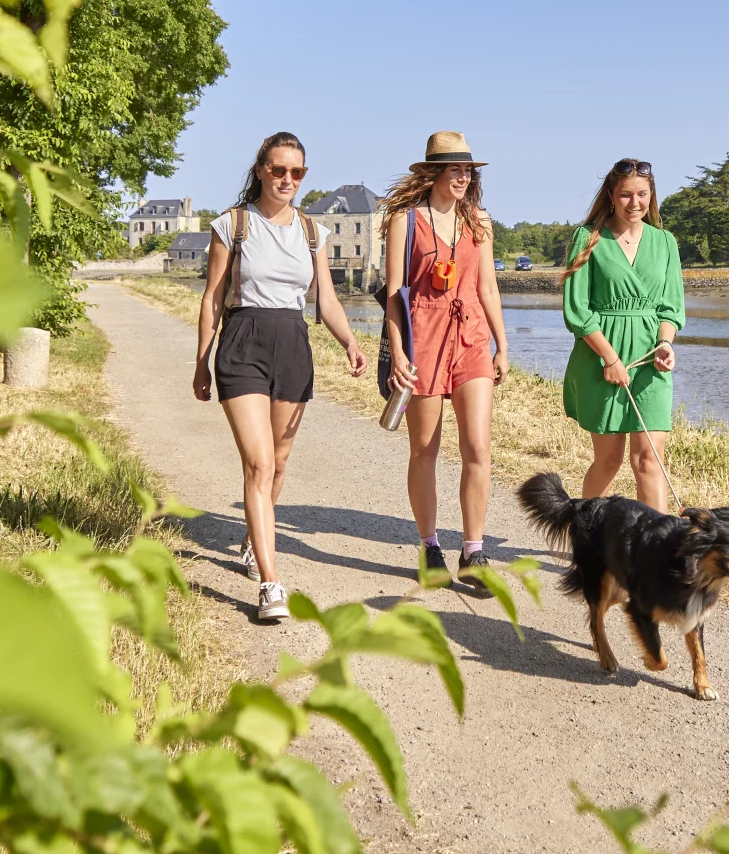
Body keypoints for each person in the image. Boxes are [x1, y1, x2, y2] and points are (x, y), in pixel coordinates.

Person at [193, 132, 368, 621]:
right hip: (243, 341)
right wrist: (201, 360)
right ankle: (271, 584)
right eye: (278, 170)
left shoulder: (312, 232)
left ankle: (255, 539)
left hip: (292, 345)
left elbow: (326, 300)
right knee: (259, 463)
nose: (287, 179)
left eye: (297, 172)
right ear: (260, 171)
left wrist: (350, 342)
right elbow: (212, 297)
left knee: (280, 464)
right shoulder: (233, 224)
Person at [380, 132, 511, 585]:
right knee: (424, 450)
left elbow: (487, 287)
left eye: (467, 170)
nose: (463, 177)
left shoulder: (479, 221)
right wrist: (399, 352)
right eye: (454, 169)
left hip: (471, 336)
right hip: (424, 338)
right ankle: (429, 545)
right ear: (433, 172)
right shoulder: (405, 220)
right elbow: (394, 294)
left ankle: (473, 551)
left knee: (478, 447)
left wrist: (501, 344)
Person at [559, 158, 684, 512]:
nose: (635, 203)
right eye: (626, 195)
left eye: (642, 194)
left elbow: (671, 308)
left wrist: (665, 343)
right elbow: (577, 310)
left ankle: (657, 543)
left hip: (650, 363)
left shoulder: (665, 242)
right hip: (601, 359)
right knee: (609, 461)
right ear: (611, 196)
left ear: (652, 195)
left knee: (649, 460)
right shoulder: (588, 238)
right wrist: (610, 358)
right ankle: (584, 533)